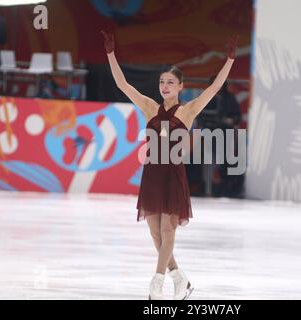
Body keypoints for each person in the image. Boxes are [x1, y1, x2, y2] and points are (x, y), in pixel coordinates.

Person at [102, 30, 238, 300]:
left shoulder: (188, 111)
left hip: (173, 175)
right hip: (152, 175)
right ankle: (180, 278)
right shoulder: (150, 107)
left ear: (180, 87)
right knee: (155, 234)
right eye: (162, 81)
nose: (165, 86)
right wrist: (110, 54)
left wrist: (230, 60)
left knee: (167, 230)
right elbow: (123, 85)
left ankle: (157, 281)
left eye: (170, 82)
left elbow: (213, 88)